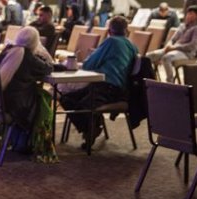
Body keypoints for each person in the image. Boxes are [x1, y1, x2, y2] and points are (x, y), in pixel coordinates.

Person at [59, 16, 138, 148]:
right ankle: (93, 126)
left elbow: (88, 65)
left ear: (109, 31)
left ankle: (92, 128)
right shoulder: (132, 46)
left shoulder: (111, 42)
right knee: (71, 100)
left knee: (68, 100)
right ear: (126, 30)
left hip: (106, 88)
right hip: (121, 92)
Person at [0, 27, 57, 162]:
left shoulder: (6, 51)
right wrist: (40, 52)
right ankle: (30, 143)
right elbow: (48, 67)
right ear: (35, 42)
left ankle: (14, 140)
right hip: (15, 107)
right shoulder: (27, 56)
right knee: (43, 99)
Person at [146, 6, 197, 83]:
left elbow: (192, 46)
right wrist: (168, 45)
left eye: (191, 14)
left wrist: (174, 48)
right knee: (148, 56)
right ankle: (151, 78)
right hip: (173, 49)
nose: (188, 15)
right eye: (187, 13)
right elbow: (173, 39)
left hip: (187, 54)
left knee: (166, 57)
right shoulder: (182, 26)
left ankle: (170, 82)